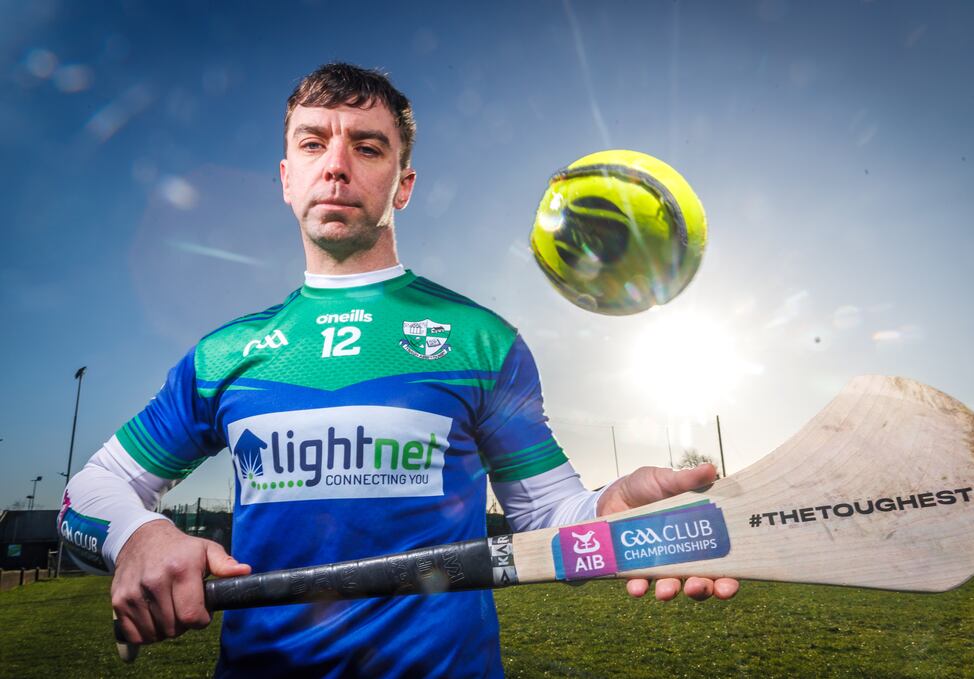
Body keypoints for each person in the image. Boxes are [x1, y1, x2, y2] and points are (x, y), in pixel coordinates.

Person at [59, 63, 738, 678]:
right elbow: (89, 491)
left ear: (403, 185)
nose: (336, 165)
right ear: (286, 178)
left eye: (368, 145)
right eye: (312, 142)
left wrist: (611, 512)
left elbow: (549, 515)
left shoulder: (481, 339)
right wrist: (138, 535)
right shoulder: (224, 353)